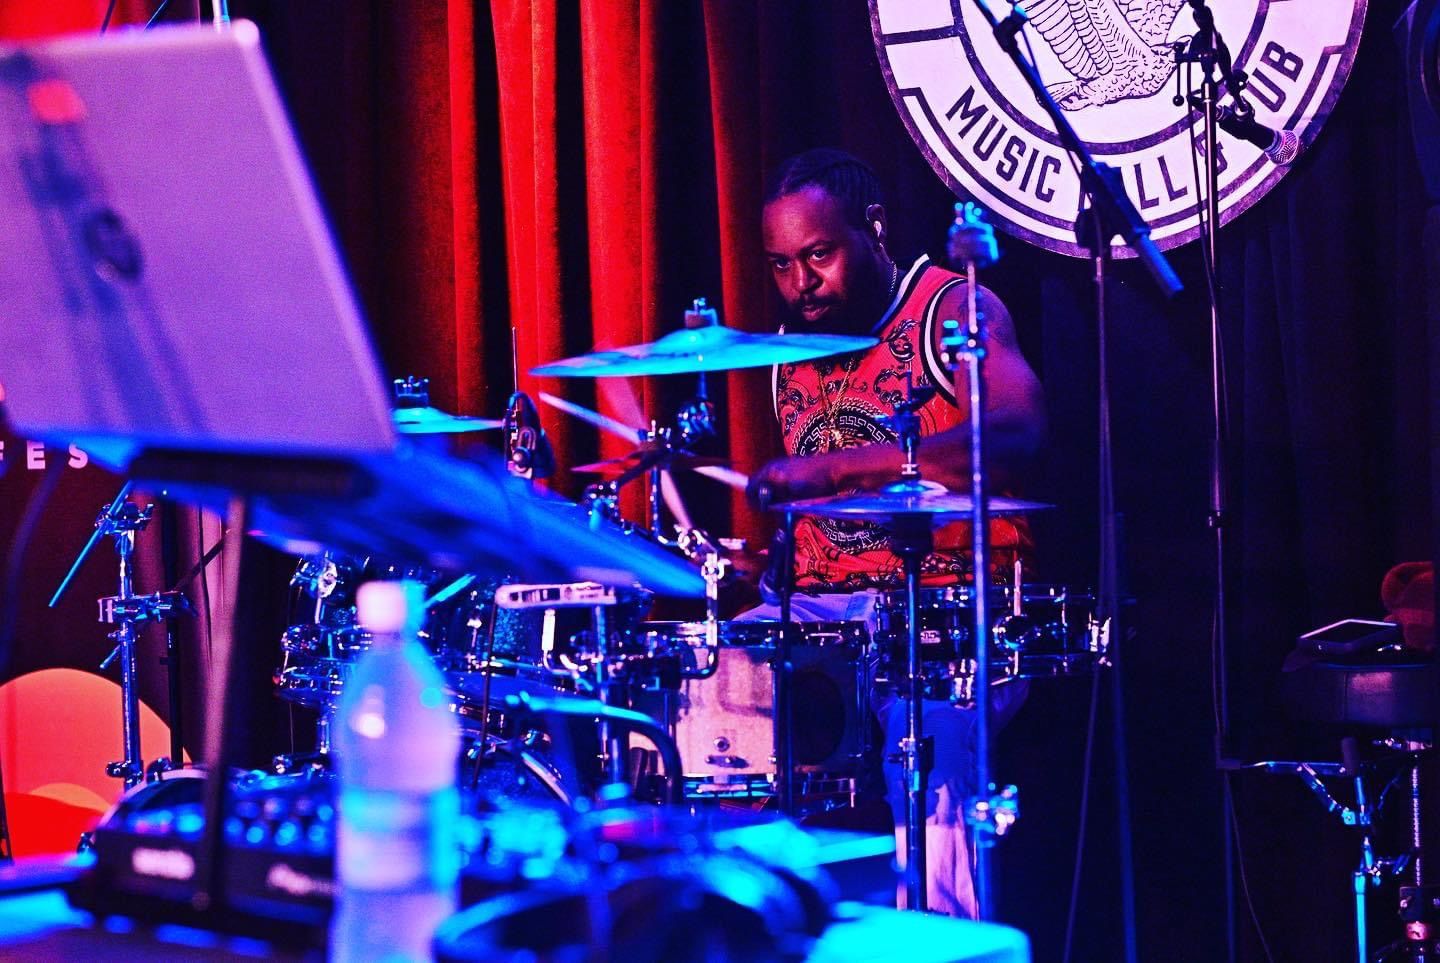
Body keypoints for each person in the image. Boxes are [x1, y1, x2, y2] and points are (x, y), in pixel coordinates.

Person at [740, 148, 1047, 917]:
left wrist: (838, 470)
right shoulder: (787, 354)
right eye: (781, 264)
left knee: (932, 752)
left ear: (872, 228)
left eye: (819, 254)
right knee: (718, 702)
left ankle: (947, 940)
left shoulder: (953, 311)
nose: (801, 282)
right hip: (826, 617)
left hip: (952, 614)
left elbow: (1017, 429)